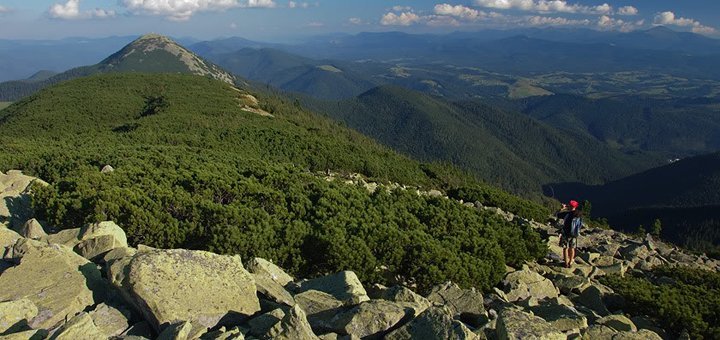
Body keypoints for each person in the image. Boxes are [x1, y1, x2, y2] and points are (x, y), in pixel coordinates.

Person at [556, 200, 582, 268]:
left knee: (565, 248)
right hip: (574, 234)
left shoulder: (567, 214)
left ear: (570, 206)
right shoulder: (578, 214)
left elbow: (557, 215)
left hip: (566, 233)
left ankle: (566, 263)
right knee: (572, 248)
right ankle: (571, 262)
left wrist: (562, 208)